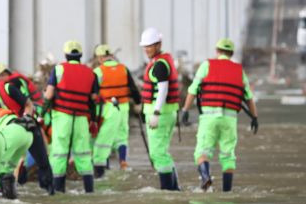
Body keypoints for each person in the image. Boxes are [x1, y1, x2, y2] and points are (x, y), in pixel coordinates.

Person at [180, 38, 259, 191]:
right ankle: (227, 193)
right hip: (229, 119)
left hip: (209, 118)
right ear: (231, 53)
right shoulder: (239, 70)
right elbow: (249, 98)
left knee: (202, 152)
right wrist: (255, 117)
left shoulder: (207, 65)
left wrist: (185, 110)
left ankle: (206, 178)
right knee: (228, 156)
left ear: (217, 51)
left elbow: (192, 90)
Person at [0, 79, 54, 195]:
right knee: (2, 167)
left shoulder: (7, 89)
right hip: (5, 137)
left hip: (28, 127)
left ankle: (49, 191)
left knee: (42, 161)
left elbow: (28, 104)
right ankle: (3, 193)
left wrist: (26, 118)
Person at [44, 40, 96, 193]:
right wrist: (93, 120)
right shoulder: (90, 72)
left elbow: (49, 94)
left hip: (62, 116)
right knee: (84, 155)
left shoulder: (58, 69)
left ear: (66, 55)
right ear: (80, 55)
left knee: (59, 153)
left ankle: (58, 192)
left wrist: (42, 113)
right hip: (81, 118)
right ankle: (89, 191)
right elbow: (93, 100)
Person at [139, 28, 181, 190]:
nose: (146, 49)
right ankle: (175, 188)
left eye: (149, 46)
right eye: (145, 46)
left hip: (161, 115)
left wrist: (156, 113)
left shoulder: (159, 65)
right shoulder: (162, 61)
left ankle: (168, 190)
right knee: (162, 153)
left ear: (158, 45)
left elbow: (163, 89)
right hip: (166, 113)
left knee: (157, 154)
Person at [91, 44, 142, 177]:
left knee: (103, 139)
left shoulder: (98, 72)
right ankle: (123, 162)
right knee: (121, 136)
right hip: (124, 108)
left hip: (107, 109)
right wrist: (138, 103)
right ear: (111, 55)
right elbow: (133, 89)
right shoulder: (123, 69)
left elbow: (93, 94)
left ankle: (102, 170)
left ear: (101, 58)